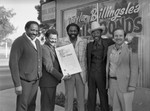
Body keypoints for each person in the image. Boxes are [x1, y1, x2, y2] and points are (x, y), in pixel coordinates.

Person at [9, 21, 42, 111]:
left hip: (35, 80)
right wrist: (17, 84)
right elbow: (13, 63)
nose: (34, 33)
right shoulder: (19, 42)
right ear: (26, 29)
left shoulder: (38, 42)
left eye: (36, 30)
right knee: (22, 106)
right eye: (32, 30)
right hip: (24, 81)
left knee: (32, 104)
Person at [106, 28, 139, 111]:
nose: (118, 37)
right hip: (112, 83)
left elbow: (135, 68)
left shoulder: (132, 48)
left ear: (124, 37)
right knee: (115, 108)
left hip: (126, 84)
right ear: (113, 37)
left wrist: (132, 85)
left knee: (126, 108)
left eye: (120, 35)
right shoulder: (109, 48)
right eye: (116, 35)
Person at [58, 23, 87, 111]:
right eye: (71, 30)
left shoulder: (84, 42)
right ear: (67, 31)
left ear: (78, 31)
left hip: (81, 73)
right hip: (69, 73)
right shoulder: (61, 41)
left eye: (75, 30)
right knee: (68, 97)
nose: (73, 32)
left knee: (81, 98)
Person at [39, 29, 70, 111]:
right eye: (51, 38)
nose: (53, 40)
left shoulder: (53, 48)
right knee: (46, 106)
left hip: (51, 82)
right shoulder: (44, 48)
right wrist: (62, 76)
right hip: (47, 82)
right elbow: (49, 67)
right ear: (46, 38)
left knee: (50, 104)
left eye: (55, 39)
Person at [87, 21, 114, 111]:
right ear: (91, 34)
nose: (95, 34)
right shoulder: (89, 45)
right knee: (91, 96)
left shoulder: (108, 42)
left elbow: (118, 45)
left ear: (101, 33)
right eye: (93, 33)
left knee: (103, 96)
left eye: (97, 32)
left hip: (102, 74)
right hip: (91, 74)